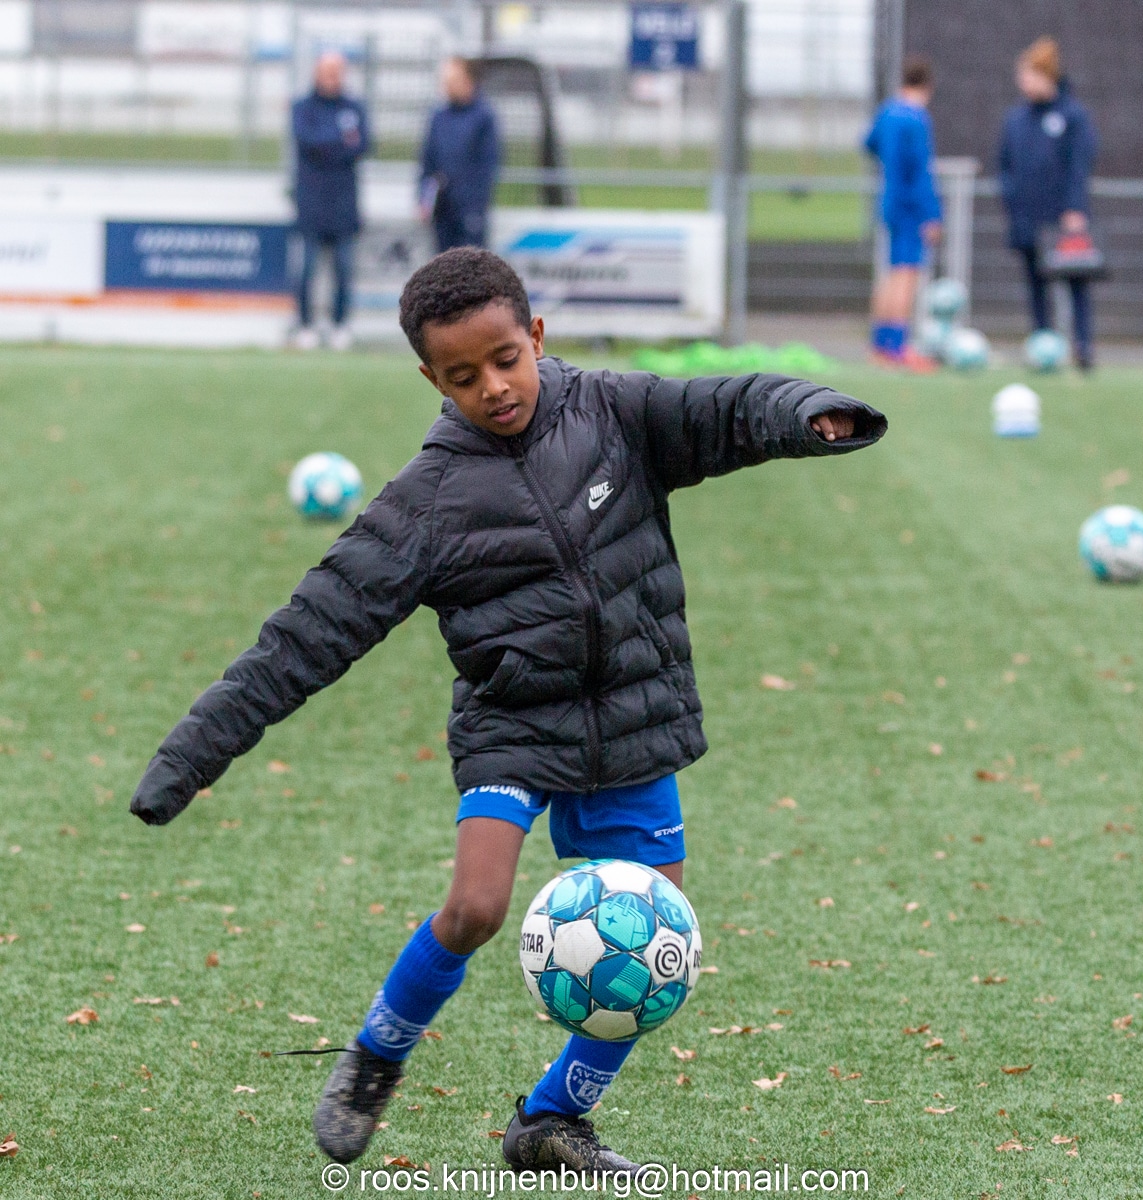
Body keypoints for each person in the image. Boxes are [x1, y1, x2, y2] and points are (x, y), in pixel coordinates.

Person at [129, 247, 887, 1172]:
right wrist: (185, 762)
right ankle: (377, 1054)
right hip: (514, 724)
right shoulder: (426, 505)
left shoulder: (614, 412)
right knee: (477, 907)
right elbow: (304, 638)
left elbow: (726, 407)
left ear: (535, 335)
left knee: (654, 941)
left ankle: (552, 1121)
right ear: (431, 380)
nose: (492, 387)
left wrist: (809, 413)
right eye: (462, 377)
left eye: (504, 360)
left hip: (631, 715)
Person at [998, 36, 1098, 371]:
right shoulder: (1016, 119)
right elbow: (1006, 166)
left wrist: (1075, 208)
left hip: (1063, 218)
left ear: (1046, 76)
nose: (1023, 82)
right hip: (1028, 219)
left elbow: (1079, 165)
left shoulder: (1073, 116)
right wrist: (1012, 205)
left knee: (1076, 282)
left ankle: (1083, 346)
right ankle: (1044, 348)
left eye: (1029, 75)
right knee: (1035, 285)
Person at [863, 55, 942, 371]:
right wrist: (931, 214)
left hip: (888, 199)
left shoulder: (887, 111)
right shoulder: (916, 118)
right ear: (926, 87)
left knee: (891, 272)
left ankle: (879, 346)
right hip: (910, 204)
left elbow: (868, 143)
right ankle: (898, 346)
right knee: (906, 274)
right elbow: (922, 170)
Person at [291, 51, 372, 351]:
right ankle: (305, 325)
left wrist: (330, 144)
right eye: (327, 71)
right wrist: (340, 142)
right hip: (311, 203)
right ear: (316, 73)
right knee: (306, 270)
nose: (332, 78)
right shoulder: (302, 107)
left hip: (344, 204)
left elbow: (362, 145)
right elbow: (309, 141)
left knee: (344, 270)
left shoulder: (354, 108)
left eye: (337, 72)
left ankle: (340, 325)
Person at [419, 57, 502, 252]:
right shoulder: (438, 116)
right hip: (442, 209)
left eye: (452, 80)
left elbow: (488, 165)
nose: (447, 86)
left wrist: (471, 201)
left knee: (471, 261)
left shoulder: (484, 117)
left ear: (468, 81)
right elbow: (428, 161)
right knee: (442, 263)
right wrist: (424, 197)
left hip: (469, 210)